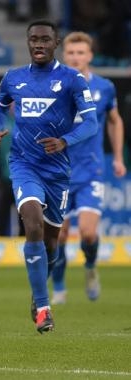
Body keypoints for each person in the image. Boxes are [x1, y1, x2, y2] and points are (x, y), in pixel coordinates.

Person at [0, 20, 98, 334]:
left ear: (55, 43)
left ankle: (39, 291)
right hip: (23, 164)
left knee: (51, 242)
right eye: (33, 39)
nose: (38, 44)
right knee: (32, 224)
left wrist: (65, 141)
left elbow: (90, 124)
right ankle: (43, 307)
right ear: (28, 42)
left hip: (57, 171)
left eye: (45, 40)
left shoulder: (72, 80)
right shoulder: (13, 78)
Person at [50, 31, 127, 305]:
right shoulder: (53, 86)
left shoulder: (104, 88)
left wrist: (117, 157)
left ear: (90, 56)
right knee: (58, 235)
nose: (75, 57)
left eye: (81, 52)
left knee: (88, 232)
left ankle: (91, 267)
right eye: (71, 52)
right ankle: (58, 285)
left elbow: (115, 121)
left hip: (90, 169)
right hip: (58, 171)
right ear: (64, 55)